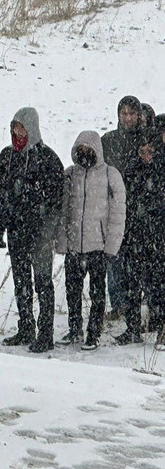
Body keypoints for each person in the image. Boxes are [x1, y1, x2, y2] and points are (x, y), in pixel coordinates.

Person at [0, 107, 65, 353]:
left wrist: (47, 226)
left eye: (22, 127)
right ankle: (26, 327)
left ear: (32, 128)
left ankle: (46, 334)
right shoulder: (7, 156)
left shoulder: (48, 158)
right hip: (16, 230)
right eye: (14, 127)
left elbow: (57, 198)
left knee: (43, 282)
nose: (17, 132)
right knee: (21, 281)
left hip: (40, 232)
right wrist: (4, 220)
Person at [55, 131, 126, 351]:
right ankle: (75, 327)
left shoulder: (109, 175)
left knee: (97, 292)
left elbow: (118, 213)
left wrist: (112, 245)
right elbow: (63, 211)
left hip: (98, 246)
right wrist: (62, 241)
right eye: (81, 150)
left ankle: (93, 333)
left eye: (89, 150)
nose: (85, 154)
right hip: (75, 245)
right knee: (72, 290)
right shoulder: (70, 175)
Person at [116, 130, 165, 346]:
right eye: (142, 151)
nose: (146, 155)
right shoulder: (131, 169)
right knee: (131, 285)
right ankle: (133, 328)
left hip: (157, 237)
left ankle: (161, 327)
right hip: (134, 236)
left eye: (150, 151)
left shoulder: (161, 170)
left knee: (157, 285)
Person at [101, 96, 145, 320]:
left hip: (141, 210)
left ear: (139, 116)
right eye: (124, 113)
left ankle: (139, 306)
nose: (127, 118)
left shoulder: (147, 139)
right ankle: (118, 305)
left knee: (139, 260)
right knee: (114, 258)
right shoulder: (108, 140)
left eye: (132, 113)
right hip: (114, 211)